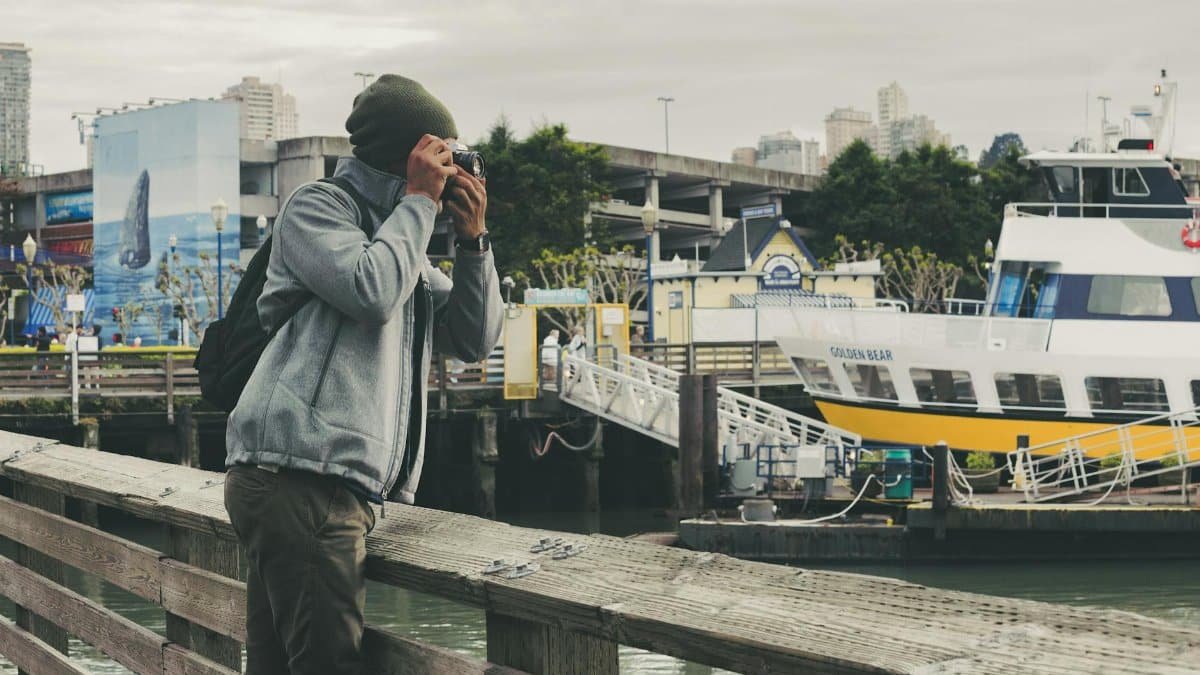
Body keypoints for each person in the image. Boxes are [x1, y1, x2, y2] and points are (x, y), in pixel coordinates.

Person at [223, 74, 502, 675]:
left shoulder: (407, 243)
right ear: (411, 152)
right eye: (441, 153)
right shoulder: (318, 209)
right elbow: (371, 290)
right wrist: (421, 203)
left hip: (317, 484)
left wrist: (475, 244)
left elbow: (472, 339)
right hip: (302, 479)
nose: (450, 167)